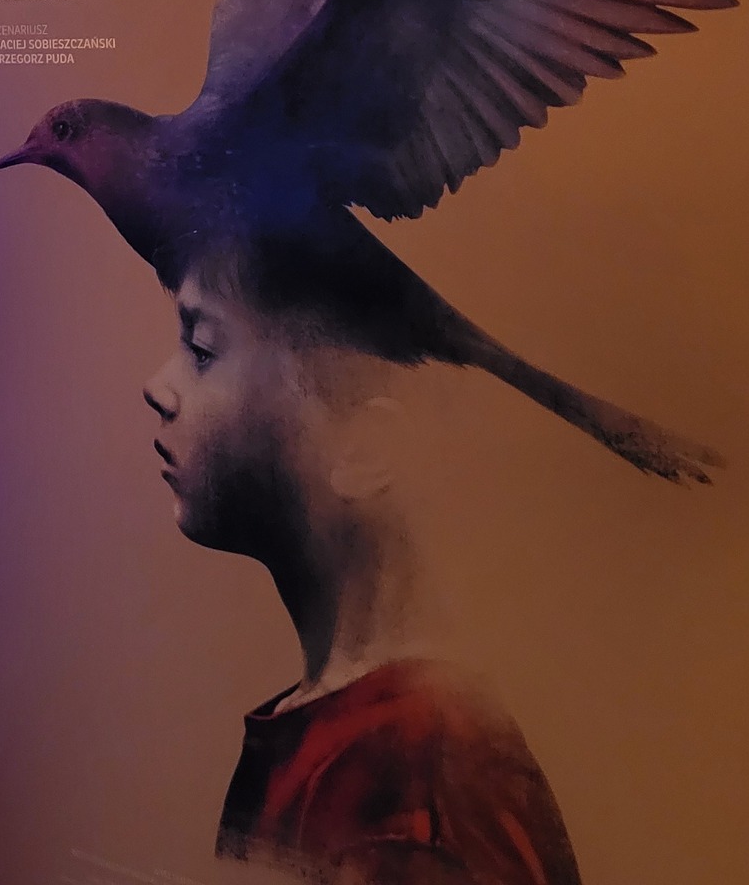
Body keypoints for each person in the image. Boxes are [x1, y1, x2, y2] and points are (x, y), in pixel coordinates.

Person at [142, 238, 581, 885]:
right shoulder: (348, 732)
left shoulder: (409, 788)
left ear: (365, 447)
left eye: (203, 350)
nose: (157, 387)